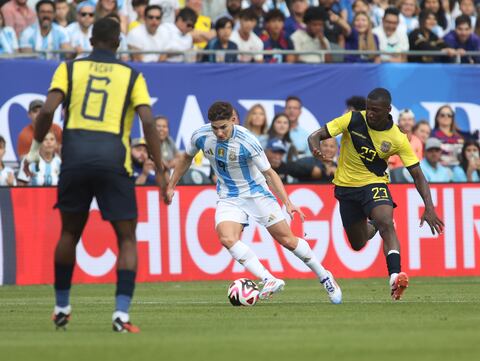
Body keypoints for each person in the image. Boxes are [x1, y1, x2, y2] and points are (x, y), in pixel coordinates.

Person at [23, 17, 167, 333]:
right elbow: (147, 120)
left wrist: (34, 150)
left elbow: (46, 111)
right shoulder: (132, 74)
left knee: (69, 234)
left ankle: (61, 308)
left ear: (90, 41)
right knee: (127, 238)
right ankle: (120, 315)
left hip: (74, 159)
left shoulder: (70, 68)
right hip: (114, 160)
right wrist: (160, 168)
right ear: (119, 43)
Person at [165, 101, 342, 304]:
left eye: (223, 127)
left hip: (256, 193)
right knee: (226, 238)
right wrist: (171, 185)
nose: (219, 133)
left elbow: (269, 173)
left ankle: (325, 276)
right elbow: (186, 158)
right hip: (228, 196)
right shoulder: (201, 136)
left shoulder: (247, 141)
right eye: (215, 128)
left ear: (233, 120)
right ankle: (269, 279)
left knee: (287, 240)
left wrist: (287, 202)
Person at [308, 88, 444, 300]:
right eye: (368, 108)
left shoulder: (398, 138)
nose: (370, 113)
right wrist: (316, 150)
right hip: (345, 188)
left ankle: (395, 276)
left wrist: (429, 207)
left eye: (376, 110)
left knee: (386, 222)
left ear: (388, 110)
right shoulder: (352, 119)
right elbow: (315, 135)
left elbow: (417, 174)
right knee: (358, 243)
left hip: (374, 184)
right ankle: (372, 227)